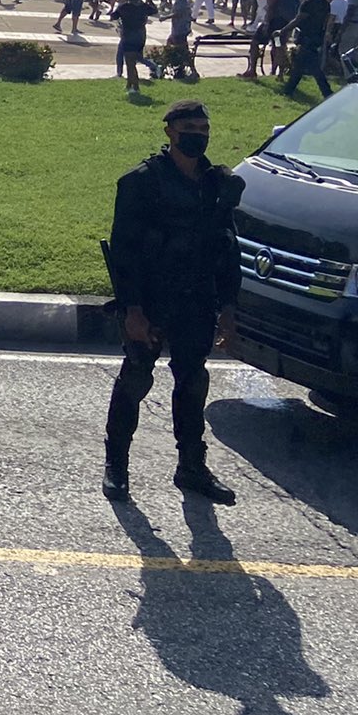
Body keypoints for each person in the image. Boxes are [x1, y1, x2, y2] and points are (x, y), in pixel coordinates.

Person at [102, 99, 243, 506]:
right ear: (170, 133)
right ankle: (117, 465)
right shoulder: (140, 183)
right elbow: (126, 251)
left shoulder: (218, 184)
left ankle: (191, 467)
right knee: (136, 378)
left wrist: (228, 308)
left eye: (204, 128)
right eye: (190, 128)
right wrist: (132, 310)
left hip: (196, 299)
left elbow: (227, 248)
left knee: (193, 381)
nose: (198, 135)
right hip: (152, 299)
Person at [278, 0, 334, 98]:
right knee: (300, 65)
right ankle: (289, 89)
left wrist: (284, 30)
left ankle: (326, 92)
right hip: (318, 36)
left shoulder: (308, 3)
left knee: (312, 67)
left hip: (307, 36)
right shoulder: (325, 3)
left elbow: (299, 19)